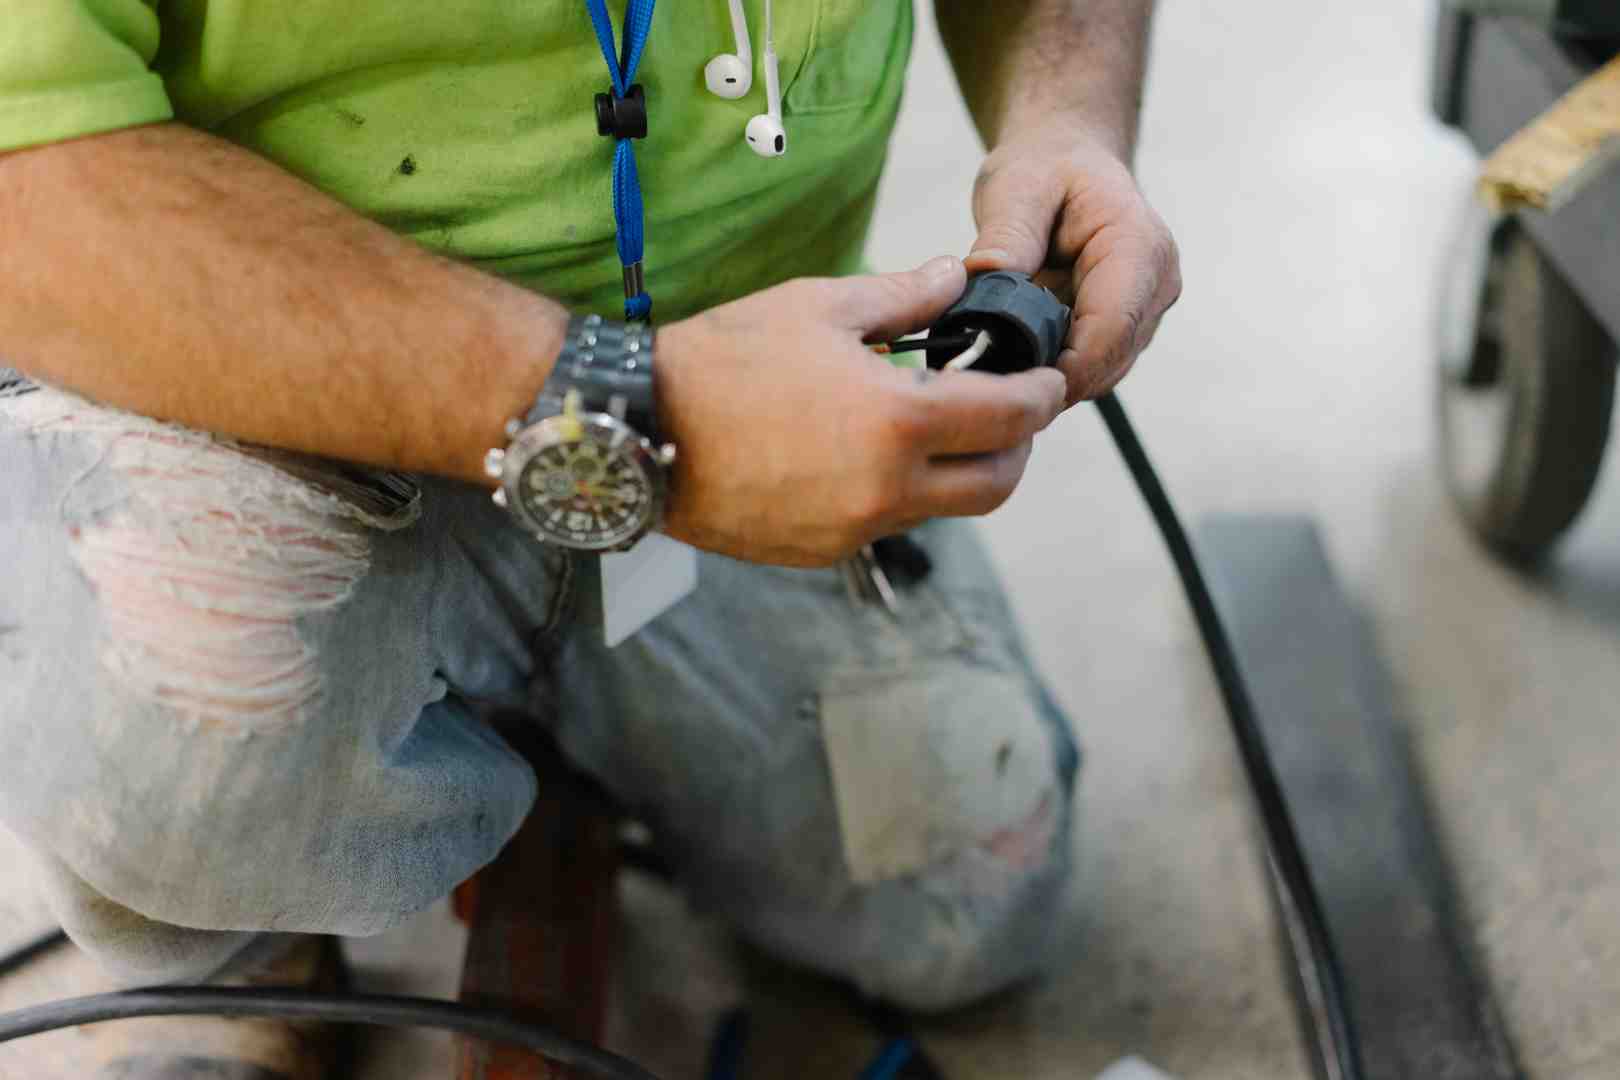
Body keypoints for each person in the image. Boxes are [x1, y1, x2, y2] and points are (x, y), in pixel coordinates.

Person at [0, 0, 1180, 1074]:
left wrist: (1062, 121)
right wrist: (624, 405)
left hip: (769, 403)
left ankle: (510, 742)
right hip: (279, 412)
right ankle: (248, 952)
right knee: (177, 777)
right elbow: (25, 186)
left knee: (971, 897)